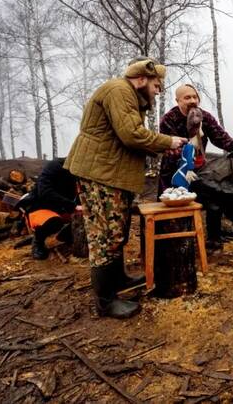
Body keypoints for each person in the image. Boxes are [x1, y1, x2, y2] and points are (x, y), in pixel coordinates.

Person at [65, 57, 187, 319]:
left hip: (110, 173)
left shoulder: (128, 96)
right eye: (156, 84)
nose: (158, 90)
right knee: (105, 235)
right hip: (101, 173)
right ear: (141, 79)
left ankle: (117, 279)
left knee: (116, 230)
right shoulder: (120, 91)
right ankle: (105, 301)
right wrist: (168, 141)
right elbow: (130, 133)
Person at [158, 84, 233, 247]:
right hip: (174, 171)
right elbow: (168, 147)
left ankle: (214, 238)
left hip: (200, 168)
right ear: (178, 100)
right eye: (187, 98)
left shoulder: (204, 117)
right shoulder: (169, 119)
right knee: (172, 206)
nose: (192, 101)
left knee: (214, 197)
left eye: (195, 97)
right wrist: (187, 153)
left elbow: (218, 135)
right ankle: (172, 243)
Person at [16, 158, 77, 260]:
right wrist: (72, 205)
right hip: (39, 207)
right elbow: (45, 192)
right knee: (53, 222)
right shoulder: (54, 166)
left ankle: (65, 235)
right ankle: (38, 243)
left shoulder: (81, 171)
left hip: (61, 208)